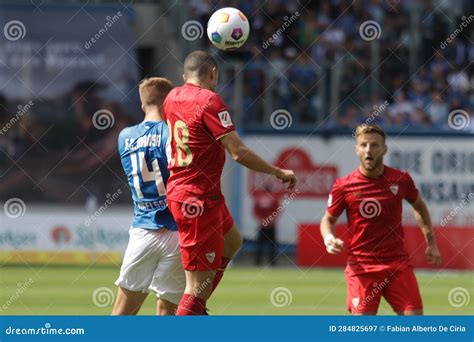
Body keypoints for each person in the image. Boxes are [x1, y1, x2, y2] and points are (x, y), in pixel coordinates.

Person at [163, 50, 297, 315]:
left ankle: (195, 307)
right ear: (213, 74)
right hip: (197, 199)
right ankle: (191, 311)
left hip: (193, 191)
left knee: (232, 241)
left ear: (184, 76)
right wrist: (276, 172)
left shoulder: (172, 97)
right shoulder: (210, 100)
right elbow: (238, 152)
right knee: (196, 286)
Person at [320, 124, 441, 315]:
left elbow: (419, 206)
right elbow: (328, 220)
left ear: (384, 149)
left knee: (416, 327)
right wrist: (328, 239)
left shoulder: (401, 180)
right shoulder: (344, 186)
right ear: (357, 149)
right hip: (362, 268)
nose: (369, 150)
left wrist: (431, 243)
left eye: (375, 145)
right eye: (364, 145)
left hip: (397, 264)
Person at [112, 77, 185, 315]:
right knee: (167, 313)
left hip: (143, 230)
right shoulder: (171, 134)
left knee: (122, 314)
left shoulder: (124, 137)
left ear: (143, 105)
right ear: (168, 103)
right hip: (176, 231)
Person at [253, 190, 280, 266]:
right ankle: (272, 263)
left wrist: (262, 220)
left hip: (262, 225)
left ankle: (258, 262)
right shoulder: (274, 199)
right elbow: (278, 211)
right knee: (272, 246)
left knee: (260, 245)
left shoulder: (259, 199)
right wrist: (271, 220)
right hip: (271, 226)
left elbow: (255, 211)